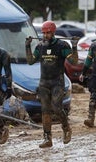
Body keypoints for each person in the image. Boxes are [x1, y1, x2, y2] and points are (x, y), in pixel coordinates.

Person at [25, 20, 79, 148]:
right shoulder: (40, 46)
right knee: (45, 111)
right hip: (44, 83)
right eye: (43, 33)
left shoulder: (62, 45)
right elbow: (30, 61)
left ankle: (66, 128)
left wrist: (74, 47)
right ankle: (47, 138)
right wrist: (27, 46)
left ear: (53, 32)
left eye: (48, 33)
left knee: (57, 108)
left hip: (57, 82)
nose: (45, 35)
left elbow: (74, 61)